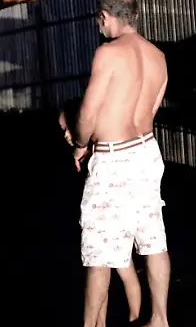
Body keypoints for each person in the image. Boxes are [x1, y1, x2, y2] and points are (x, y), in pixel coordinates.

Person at [72, 0, 170, 327]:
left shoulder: (108, 53)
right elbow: (151, 111)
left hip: (114, 160)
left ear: (105, 17)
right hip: (146, 152)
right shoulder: (157, 55)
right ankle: (159, 319)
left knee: (99, 252)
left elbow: (88, 114)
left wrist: (81, 143)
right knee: (153, 238)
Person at [59, 104, 142, 324]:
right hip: (119, 217)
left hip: (107, 223)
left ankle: (132, 317)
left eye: (67, 128)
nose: (66, 135)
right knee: (118, 271)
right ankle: (123, 319)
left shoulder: (97, 154)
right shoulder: (98, 153)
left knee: (108, 272)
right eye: (63, 131)